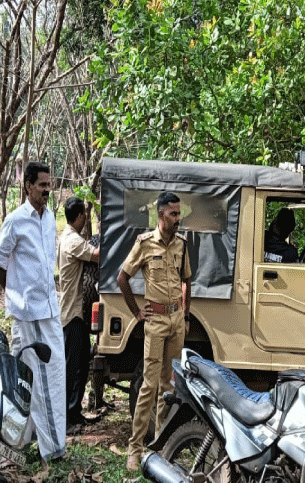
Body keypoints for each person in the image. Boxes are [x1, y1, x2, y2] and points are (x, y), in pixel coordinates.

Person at [0, 161, 66, 464]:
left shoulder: (49, 218)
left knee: (27, 380)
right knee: (46, 379)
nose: (48, 190)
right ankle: (54, 451)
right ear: (28, 187)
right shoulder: (15, 220)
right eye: (42, 185)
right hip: (30, 312)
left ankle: (15, 442)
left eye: (50, 185)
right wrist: (17, 295)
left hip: (49, 309)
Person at [118, 191, 191, 472]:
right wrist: (137, 311)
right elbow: (123, 277)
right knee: (149, 386)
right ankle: (134, 449)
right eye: (173, 213)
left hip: (176, 320)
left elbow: (187, 280)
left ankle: (160, 447)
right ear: (161, 216)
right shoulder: (145, 244)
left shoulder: (182, 245)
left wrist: (185, 315)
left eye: (178, 212)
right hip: (156, 320)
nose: (178, 218)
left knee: (169, 386)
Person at [58, 197, 100, 433]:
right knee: (72, 366)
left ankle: (74, 412)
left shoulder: (68, 236)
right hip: (72, 311)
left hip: (76, 312)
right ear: (81, 217)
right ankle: (66, 419)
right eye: (85, 214)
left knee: (82, 363)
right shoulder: (72, 240)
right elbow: (96, 255)